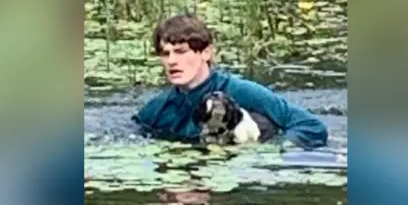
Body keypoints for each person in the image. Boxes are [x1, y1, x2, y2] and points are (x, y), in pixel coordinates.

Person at [132, 13, 328, 149]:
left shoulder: (242, 91)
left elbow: (312, 127)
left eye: (181, 51)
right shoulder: (156, 110)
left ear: (206, 53)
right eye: (166, 54)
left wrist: (268, 152)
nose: (172, 61)